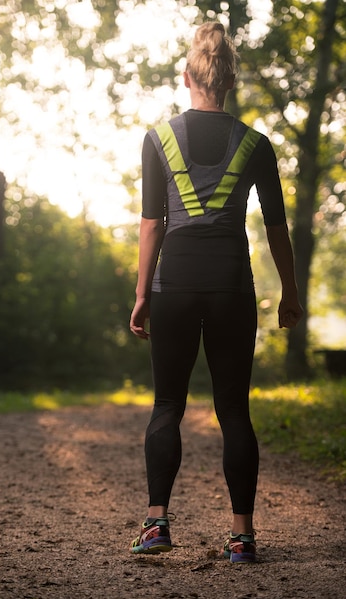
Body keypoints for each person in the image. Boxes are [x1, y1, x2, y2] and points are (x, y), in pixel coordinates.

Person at [129, 21, 303, 563]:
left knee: (167, 405)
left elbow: (152, 225)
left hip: (174, 284)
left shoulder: (157, 140)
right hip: (231, 285)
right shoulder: (256, 144)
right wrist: (291, 296)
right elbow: (278, 229)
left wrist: (141, 294)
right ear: (230, 80)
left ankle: (157, 524)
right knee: (233, 409)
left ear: (187, 76)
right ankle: (242, 535)